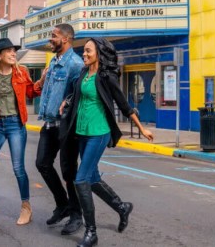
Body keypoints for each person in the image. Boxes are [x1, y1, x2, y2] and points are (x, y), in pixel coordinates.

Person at [60, 38, 154, 247]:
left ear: (99, 54)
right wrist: (66, 101)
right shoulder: (84, 73)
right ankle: (121, 207)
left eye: (87, 51)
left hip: (99, 132)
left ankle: (91, 232)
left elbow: (124, 105)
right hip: (82, 132)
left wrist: (141, 128)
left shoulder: (106, 77)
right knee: (91, 178)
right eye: (83, 51)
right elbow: (77, 94)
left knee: (81, 179)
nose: (84, 55)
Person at [0, 38, 42, 230]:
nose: (14, 54)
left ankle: (26, 207)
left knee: (18, 168)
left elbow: (31, 92)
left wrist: (42, 82)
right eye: (9, 51)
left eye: (14, 51)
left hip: (15, 124)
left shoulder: (22, 72)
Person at [34, 24, 85, 234]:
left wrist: (68, 100)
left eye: (53, 36)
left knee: (68, 171)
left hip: (65, 126)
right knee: (42, 163)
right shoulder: (54, 62)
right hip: (49, 123)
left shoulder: (75, 64)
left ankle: (76, 215)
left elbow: (78, 94)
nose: (50, 39)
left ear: (65, 39)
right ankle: (62, 204)